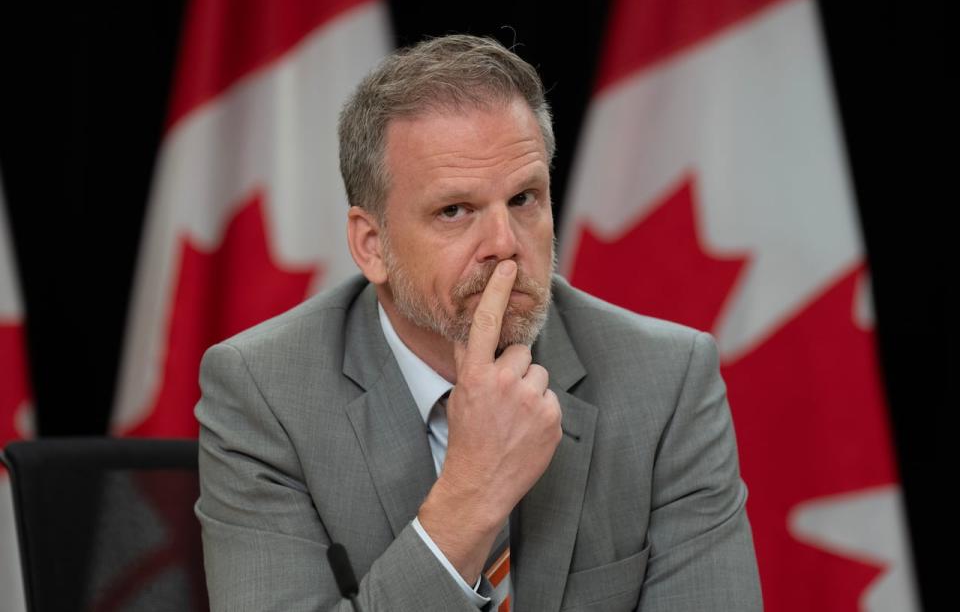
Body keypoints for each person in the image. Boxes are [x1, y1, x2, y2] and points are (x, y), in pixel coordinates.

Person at [195, 34, 763, 611]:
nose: (505, 245)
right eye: (455, 210)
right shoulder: (263, 393)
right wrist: (471, 496)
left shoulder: (668, 382)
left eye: (523, 199)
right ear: (372, 246)